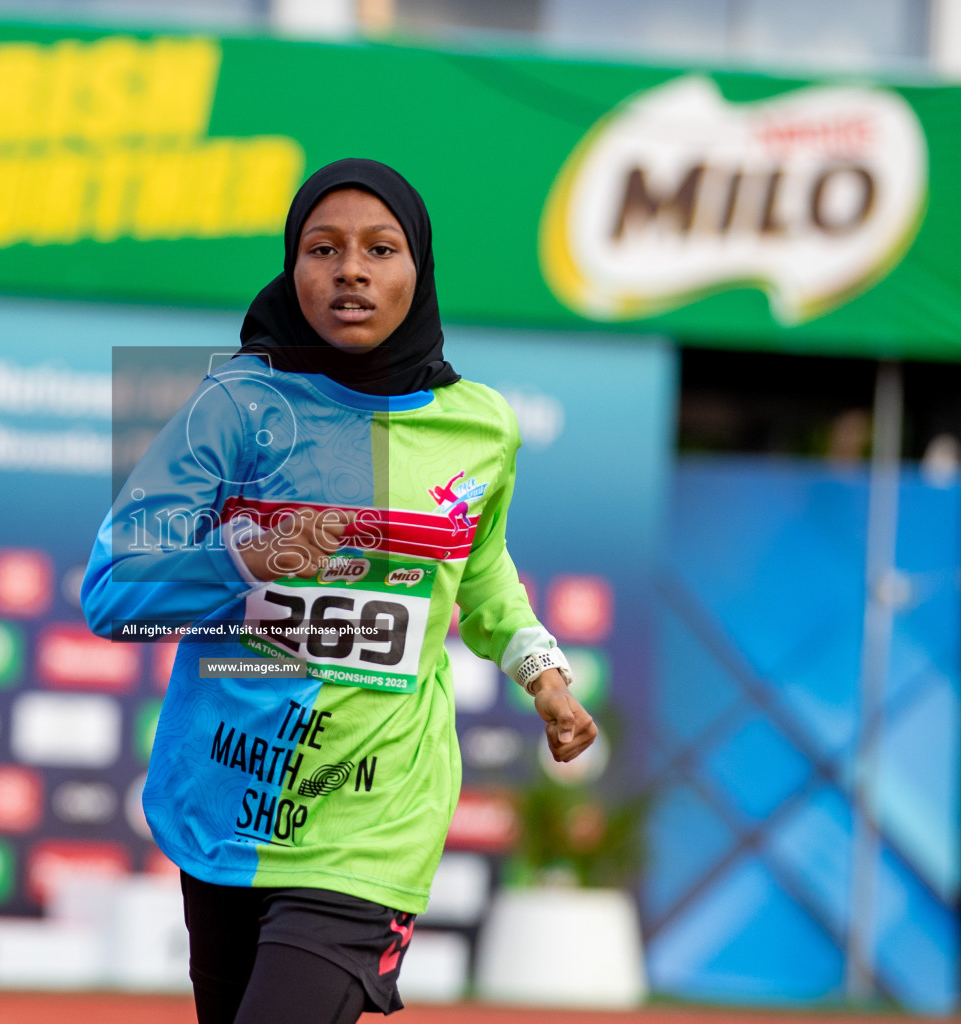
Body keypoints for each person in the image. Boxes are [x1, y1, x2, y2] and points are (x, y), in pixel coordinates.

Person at [83, 159, 597, 1024]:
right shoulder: (235, 407)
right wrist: (250, 557)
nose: (350, 269)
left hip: (374, 816)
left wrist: (538, 666)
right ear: (294, 268)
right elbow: (114, 590)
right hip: (226, 806)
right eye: (323, 249)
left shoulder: (480, 425)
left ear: (417, 271)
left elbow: (479, 568)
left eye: (380, 249)